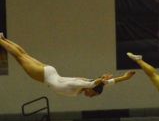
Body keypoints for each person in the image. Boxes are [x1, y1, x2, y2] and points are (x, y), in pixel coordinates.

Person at [0, 33, 135, 97]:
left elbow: (105, 83)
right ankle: (1, 40)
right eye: (92, 94)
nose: (90, 96)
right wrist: (102, 79)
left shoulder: (85, 84)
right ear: (92, 89)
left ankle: (4, 40)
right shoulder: (85, 84)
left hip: (49, 72)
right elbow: (97, 83)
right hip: (44, 76)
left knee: (23, 55)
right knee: (20, 56)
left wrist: (125, 78)